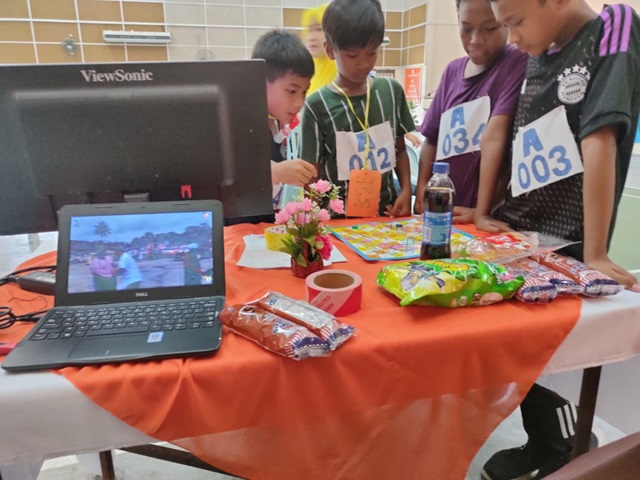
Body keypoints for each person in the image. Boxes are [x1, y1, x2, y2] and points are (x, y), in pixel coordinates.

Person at [481, 1, 640, 479]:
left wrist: (596, 252)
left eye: (516, 22)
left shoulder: (613, 25)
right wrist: (487, 211)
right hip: (518, 230)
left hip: (566, 240)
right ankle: (548, 437)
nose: (512, 39)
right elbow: (519, 141)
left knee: (537, 350)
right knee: (495, 341)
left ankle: (562, 441)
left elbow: (600, 137)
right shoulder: (537, 51)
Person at [413, 0, 528, 223]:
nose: (476, 40)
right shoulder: (451, 72)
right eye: (466, 29)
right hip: (442, 210)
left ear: (505, 21)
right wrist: (421, 191)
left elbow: (497, 139)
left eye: (490, 28)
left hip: (485, 215)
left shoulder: (516, 62)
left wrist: (482, 211)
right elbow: (432, 140)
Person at [299, 0, 415, 218]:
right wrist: (310, 222)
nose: (364, 63)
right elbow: (311, 175)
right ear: (330, 50)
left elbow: (399, 150)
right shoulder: (317, 105)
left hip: (387, 217)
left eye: (372, 53)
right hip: (337, 223)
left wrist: (406, 190)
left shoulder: (391, 92)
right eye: (353, 55)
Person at [251, 30, 317, 190]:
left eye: (304, 92)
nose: (300, 103)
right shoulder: (240, 125)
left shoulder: (277, 124)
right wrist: (275, 173)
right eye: (292, 91)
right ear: (261, 81)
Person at [301, 5, 338, 95]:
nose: (312, 37)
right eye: (310, 30)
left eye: (319, 29)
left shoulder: (343, 79)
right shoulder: (304, 74)